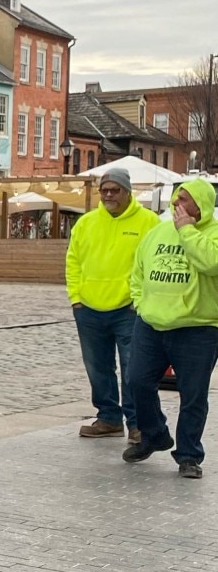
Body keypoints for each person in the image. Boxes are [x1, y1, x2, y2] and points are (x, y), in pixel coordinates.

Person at [124, 178, 218, 479]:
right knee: (137, 381)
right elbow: (138, 268)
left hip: (198, 329)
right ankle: (154, 435)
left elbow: (210, 263)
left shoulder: (213, 234)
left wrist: (187, 231)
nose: (178, 204)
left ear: (202, 204)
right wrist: (139, 301)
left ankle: (189, 454)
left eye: (186, 199)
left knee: (193, 394)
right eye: (177, 198)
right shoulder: (158, 232)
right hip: (151, 324)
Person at [65, 166, 159, 441]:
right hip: (89, 308)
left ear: (127, 192)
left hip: (129, 310)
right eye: (104, 190)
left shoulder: (149, 222)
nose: (108, 195)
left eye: (114, 190)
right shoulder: (86, 222)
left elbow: (154, 262)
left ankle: (137, 423)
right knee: (97, 366)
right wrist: (76, 298)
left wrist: (140, 300)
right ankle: (108, 417)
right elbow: (73, 260)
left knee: (134, 368)